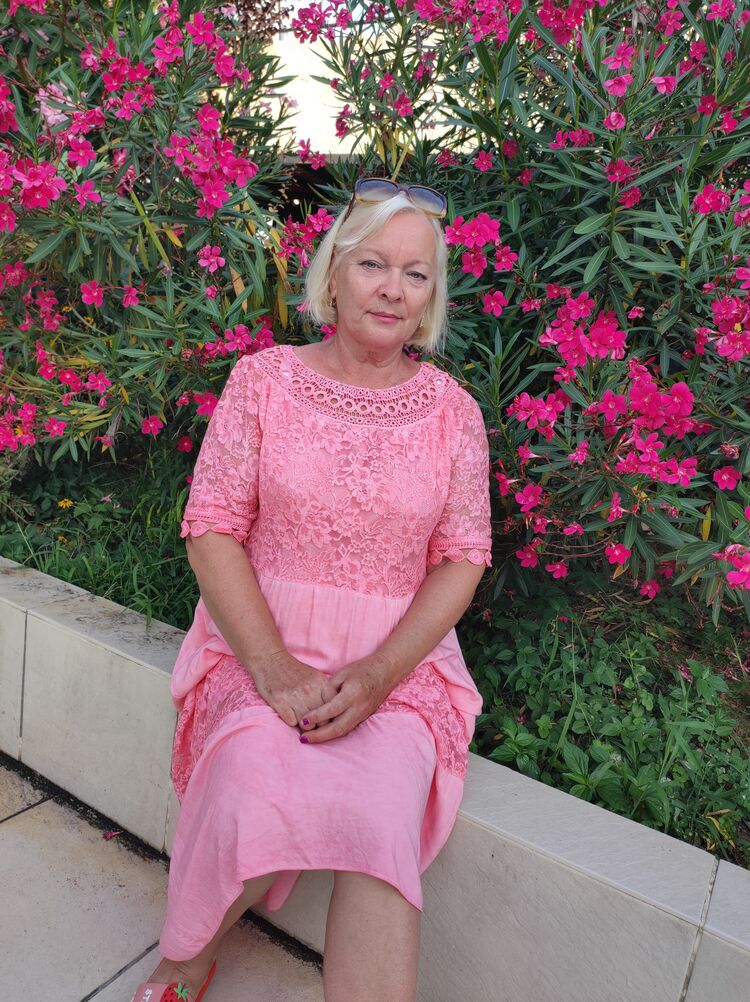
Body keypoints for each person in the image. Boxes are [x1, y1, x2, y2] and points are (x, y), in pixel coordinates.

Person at [130, 178, 492, 1002]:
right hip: (259, 643)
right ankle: (185, 962)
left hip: (398, 668)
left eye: (416, 274)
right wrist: (270, 667)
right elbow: (212, 525)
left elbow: (463, 557)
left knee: (380, 815)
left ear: (430, 298)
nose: (393, 289)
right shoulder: (263, 382)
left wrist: (380, 676)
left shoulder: (453, 413)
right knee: (251, 775)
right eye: (373, 264)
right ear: (333, 274)